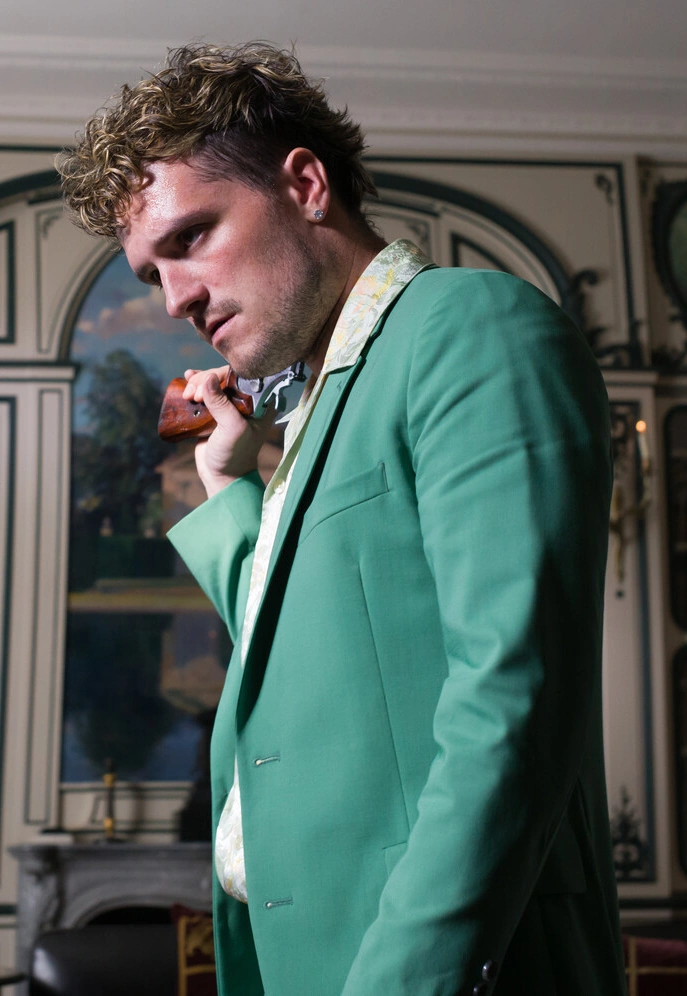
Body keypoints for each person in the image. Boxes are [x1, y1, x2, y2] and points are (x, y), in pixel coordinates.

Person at [58, 43, 626, 996]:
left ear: (307, 186)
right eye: (152, 275)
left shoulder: (470, 328)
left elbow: (511, 702)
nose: (176, 300)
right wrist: (228, 484)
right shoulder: (323, 402)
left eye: (190, 237)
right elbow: (316, 648)